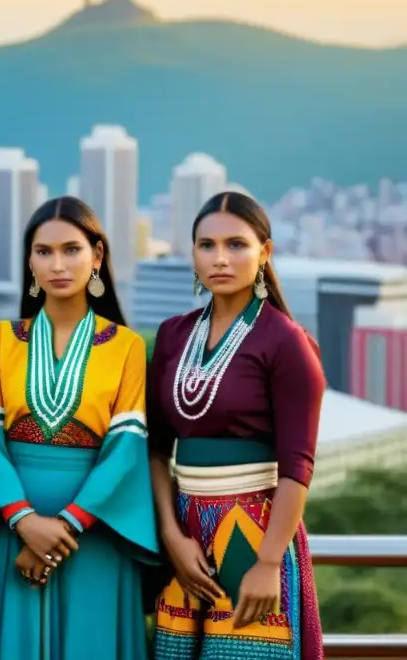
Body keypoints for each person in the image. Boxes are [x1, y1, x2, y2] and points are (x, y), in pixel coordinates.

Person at [0, 196, 158, 660]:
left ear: (98, 257)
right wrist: (23, 521)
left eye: (71, 249)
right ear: (29, 262)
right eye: (43, 251)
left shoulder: (126, 346)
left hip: (93, 534)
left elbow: (126, 447)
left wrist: (64, 527)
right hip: (6, 534)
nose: (57, 264)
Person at [147, 191, 325, 660]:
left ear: (264, 253)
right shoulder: (173, 334)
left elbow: (297, 467)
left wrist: (267, 562)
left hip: (255, 536)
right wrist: (171, 536)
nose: (219, 258)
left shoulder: (286, 341)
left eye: (236, 245)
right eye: (206, 245)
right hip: (185, 538)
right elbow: (156, 449)